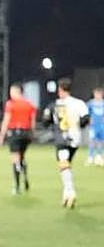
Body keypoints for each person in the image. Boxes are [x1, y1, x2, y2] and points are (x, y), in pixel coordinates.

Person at [43, 78, 90, 207]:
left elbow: (46, 121)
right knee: (67, 164)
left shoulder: (54, 105)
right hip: (75, 138)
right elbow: (85, 119)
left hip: (61, 138)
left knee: (63, 165)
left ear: (60, 89)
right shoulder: (79, 103)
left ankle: (70, 191)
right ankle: (66, 192)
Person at [0, 84, 37, 194]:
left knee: (15, 159)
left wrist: (1, 135)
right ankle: (25, 176)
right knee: (22, 157)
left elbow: (6, 120)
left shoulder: (10, 104)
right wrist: (32, 134)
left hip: (14, 133)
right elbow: (32, 122)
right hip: (26, 134)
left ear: (16, 92)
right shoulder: (30, 105)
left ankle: (17, 185)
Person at [87, 87, 104, 166]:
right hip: (93, 126)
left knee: (101, 141)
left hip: (102, 125)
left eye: (99, 94)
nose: (98, 95)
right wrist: (89, 120)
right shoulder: (91, 103)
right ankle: (90, 156)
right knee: (92, 141)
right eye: (96, 94)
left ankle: (99, 155)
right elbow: (87, 113)